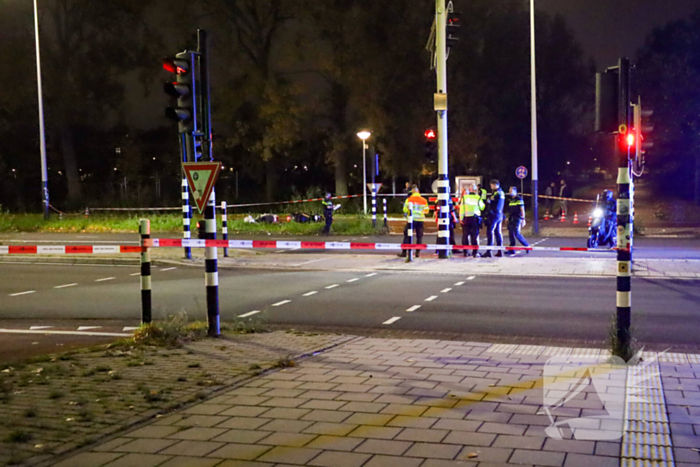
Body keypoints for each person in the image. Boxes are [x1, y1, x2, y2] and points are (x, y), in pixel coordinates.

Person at [399, 186, 430, 258]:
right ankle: (417, 253)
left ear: (412, 192)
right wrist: (420, 212)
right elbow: (427, 211)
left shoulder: (409, 199)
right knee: (419, 236)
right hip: (420, 220)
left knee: (407, 235)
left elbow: (405, 210)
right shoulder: (424, 200)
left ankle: (404, 252)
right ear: (418, 192)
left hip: (411, 220)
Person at [459, 183, 483, 257]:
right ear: (475, 190)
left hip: (466, 218)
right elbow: (482, 207)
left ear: (469, 190)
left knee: (465, 235)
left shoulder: (465, 198)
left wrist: (461, 218)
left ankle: (465, 252)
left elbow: (462, 208)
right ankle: (475, 252)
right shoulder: (478, 197)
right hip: (475, 219)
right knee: (475, 236)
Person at [483, 179, 505, 258]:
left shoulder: (496, 194)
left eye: (491, 185)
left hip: (494, 215)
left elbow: (490, 203)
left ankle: (489, 251)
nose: (491, 187)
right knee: (498, 233)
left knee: (490, 232)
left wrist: (488, 202)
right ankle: (500, 251)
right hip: (499, 215)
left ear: (495, 185)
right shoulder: (502, 193)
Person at [505, 186, 530, 255]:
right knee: (511, 234)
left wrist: (523, 219)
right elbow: (510, 210)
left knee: (517, 233)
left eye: (511, 191)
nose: (510, 192)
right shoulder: (511, 200)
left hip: (517, 218)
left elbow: (522, 209)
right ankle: (512, 249)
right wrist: (508, 218)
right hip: (511, 218)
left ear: (515, 191)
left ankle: (527, 246)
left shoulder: (519, 199)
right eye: (509, 191)